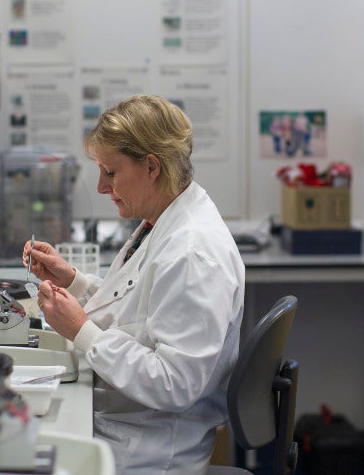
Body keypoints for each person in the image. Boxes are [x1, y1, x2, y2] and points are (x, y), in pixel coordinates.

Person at [24, 94, 245, 475]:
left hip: (149, 452)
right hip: (126, 423)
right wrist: (74, 283)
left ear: (151, 167)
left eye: (110, 173)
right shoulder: (162, 219)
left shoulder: (193, 253)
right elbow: (139, 306)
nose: (100, 187)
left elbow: (175, 383)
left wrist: (81, 331)